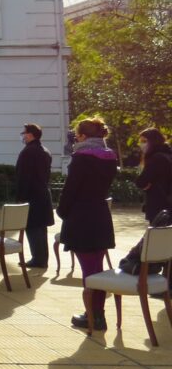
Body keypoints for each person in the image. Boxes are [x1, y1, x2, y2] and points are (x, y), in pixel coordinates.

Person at [57, 116, 118, 331]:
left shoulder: (82, 158)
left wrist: (62, 211)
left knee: (89, 272)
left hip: (82, 217)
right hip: (100, 215)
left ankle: (94, 316)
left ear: (82, 136)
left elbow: (71, 189)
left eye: (76, 135)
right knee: (96, 268)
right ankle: (97, 313)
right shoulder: (110, 157)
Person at [15, 123, 55, 268]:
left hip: (31, 196)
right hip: (43, 194)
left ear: (30, 134)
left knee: (32, 228)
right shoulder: (45, 150)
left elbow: (23, 177)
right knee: (41, 229)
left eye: (24, 133)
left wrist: (20, 197)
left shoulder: (27, 152)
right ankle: (42, 258)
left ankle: (37, 258)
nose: (23, 136)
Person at [135, 128, 172, 224]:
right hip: (167, 204)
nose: (141, 144)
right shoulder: (168, 155)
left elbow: (141, 181)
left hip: (159, 205)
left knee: (156, 236)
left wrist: (147, 185)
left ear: (153, 141)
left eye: (144, 141)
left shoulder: (156, 158)